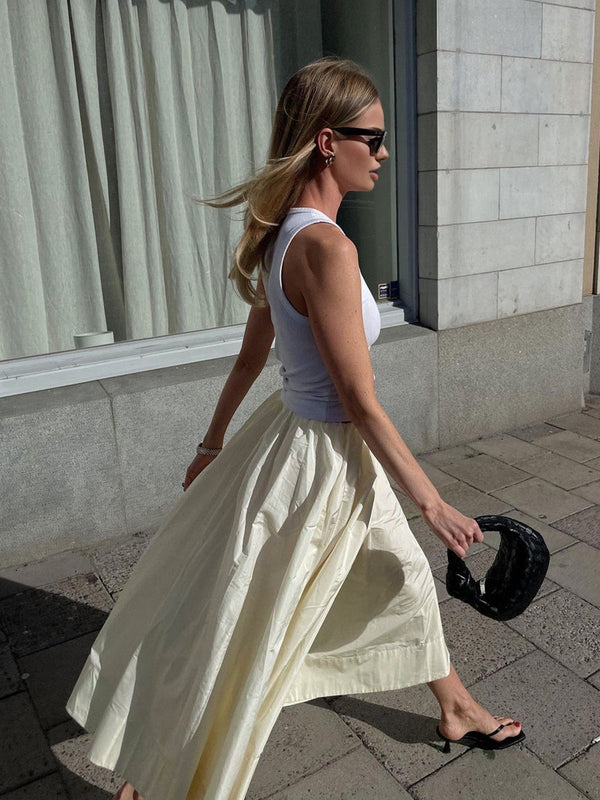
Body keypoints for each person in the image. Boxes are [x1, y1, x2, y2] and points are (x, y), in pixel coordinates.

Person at [66, 56, 524, 800]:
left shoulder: (288, 234)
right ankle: (167, 773)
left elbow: (251, 360)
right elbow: (360, 401)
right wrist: (433, 503)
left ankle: (456, 706)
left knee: (397, 577)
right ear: (325, 140)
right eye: (371, 138)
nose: (382, 153)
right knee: (253, 622)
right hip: (322, 462)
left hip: (308, 444)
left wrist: (212, 442)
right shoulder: (325, 248)